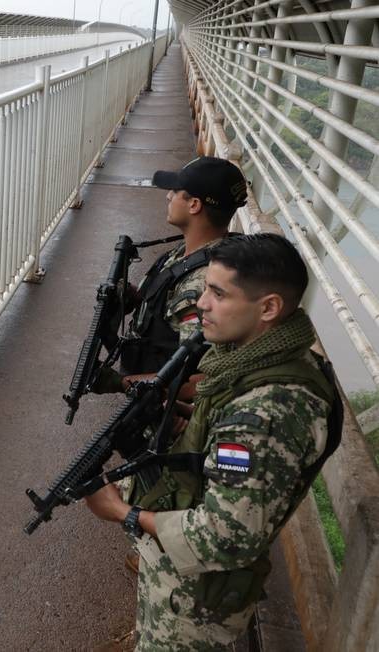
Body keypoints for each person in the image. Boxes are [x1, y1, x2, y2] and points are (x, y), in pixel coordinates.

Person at [84, 233, 342, 650]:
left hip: (195, 605)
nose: (202, 303)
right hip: (184, 579)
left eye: (219, 294)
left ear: (269, 308)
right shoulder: (259, 359)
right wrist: (186, 418)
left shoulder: (267, 414)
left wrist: (123, 513)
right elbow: (227, 433)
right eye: (205, 288)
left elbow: (226, 536)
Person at [96, 156, 247, 393]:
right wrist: (134, 297)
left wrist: (121, 384)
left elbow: (195, 377)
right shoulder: (195, 251)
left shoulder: (199, 286)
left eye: (175, 191)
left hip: (164, 408)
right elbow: (169, 303)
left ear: (194, 205)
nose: (168, 196)